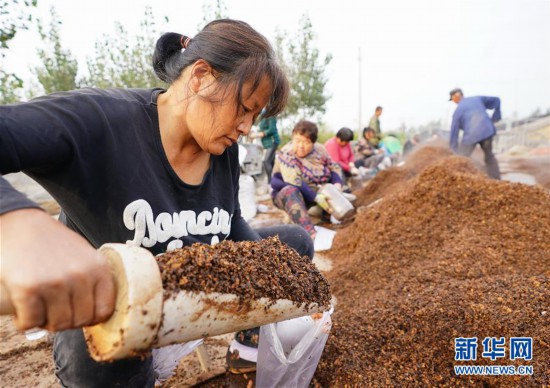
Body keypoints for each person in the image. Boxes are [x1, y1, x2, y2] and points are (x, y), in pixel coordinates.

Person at [0, 19, 314, 386]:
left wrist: (274, 276)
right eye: (244, 108)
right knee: (104, 362)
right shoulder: (101, 120)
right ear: (201, 77)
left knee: (294, 247)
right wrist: (17, 221)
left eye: (254, 117)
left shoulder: (222, 148)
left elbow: (230, 223)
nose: (246, 127)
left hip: (190, 292)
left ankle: (245, 350)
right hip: (111, 307)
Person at [271, 120, 344, 240]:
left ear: (313, 143)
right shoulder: (286, 154)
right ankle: (310, 234)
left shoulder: (320, 150)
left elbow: (334, 167)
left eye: (306, 142)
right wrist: (316, 198)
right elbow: (295, 181)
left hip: (317, 192)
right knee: (291, 190)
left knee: (337, 186)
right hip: (290, 194)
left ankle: (325, 215)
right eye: (297, 140)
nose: (300, 146)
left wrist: (337, 185)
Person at [448, 88, 501, 179]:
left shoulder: (458, 111)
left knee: (462, 158)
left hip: (471, 136)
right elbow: (497, 100)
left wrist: (453, 150)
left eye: (452, 99)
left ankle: (460, 178)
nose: (453, 101)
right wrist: (496, 117)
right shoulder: (477, 99)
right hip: (487, 130)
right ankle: (496, 179)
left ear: (456, 96)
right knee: (489, 156)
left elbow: (454, 132)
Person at [252, 110, 280, 183]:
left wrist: (258, 135)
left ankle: (270, 182)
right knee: (271, 162)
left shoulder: (270, 116)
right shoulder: (262, 117)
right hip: (266, 143)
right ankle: (274, 181)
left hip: (272, 141)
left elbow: (271, 129)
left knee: (266, 161)